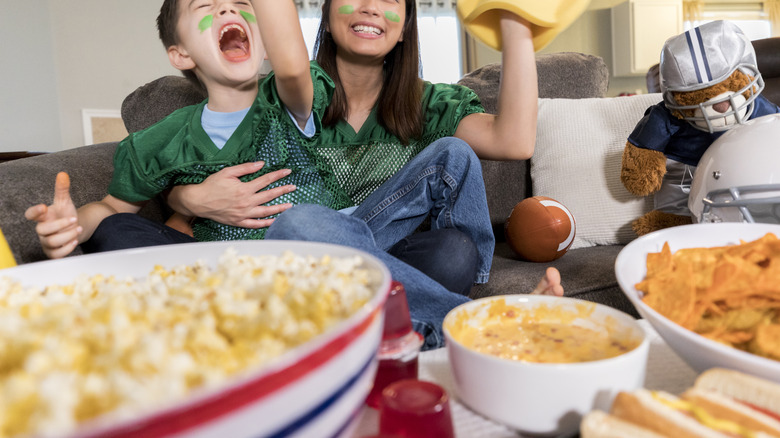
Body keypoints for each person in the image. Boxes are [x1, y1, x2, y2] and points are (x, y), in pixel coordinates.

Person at [166, 0, 564, 348]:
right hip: (300, 254)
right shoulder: (280, 95)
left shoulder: (429, 103)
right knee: (302, 222)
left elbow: (514, 141)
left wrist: (515, 22)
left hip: (392, 252)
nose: (372, 6)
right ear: (326, 13)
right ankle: (479, 325)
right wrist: (184, 198)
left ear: (406, 26)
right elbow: (198, 160)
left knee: (454, 241)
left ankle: (383, 322)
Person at [25, 0, 345, 258]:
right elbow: (110, 207)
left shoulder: (289, 101)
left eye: (243, 4)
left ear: (265, 46)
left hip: (309, 254)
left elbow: (291, 65)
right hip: (217, 265)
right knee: (116, 227)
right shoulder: (167, 138)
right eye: (205, 5)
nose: (227, 8)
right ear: (181, 55)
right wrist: (71, 227)